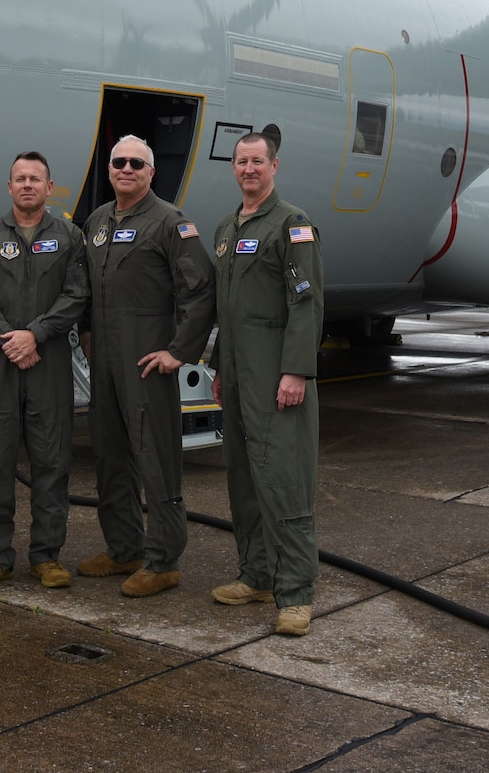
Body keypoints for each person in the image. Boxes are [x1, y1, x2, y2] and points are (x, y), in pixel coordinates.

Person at [76, 134, 215, 597]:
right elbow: (86, 289)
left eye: (138, 163)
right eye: (119, 162)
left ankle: (163, 558)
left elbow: (200, 290)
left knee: (155, 459)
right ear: (110, 169)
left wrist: (178, 351)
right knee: (110, 455)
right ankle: (124, 549)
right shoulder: (97, 221)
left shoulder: (170, 223)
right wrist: (89, 336)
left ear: (151, 172)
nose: (127, 169)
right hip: (106, 363)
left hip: (147, 359)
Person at [208, 131, 324, 636]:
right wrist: (217, 368)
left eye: (258, 161)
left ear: (274, 166)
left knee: (283, 482)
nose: (249, 169)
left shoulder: (292, 225)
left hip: (277, 375)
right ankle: (255, 574)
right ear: (234, 168)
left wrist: (296, 370)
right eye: (242, 161)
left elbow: (307, 303)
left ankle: (295, 593)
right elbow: (227, 311)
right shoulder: (226, 229)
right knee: (243, 478)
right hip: (236, 375)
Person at [0, 151, 89, 590]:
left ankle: (47, 557)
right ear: (9, 187)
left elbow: (76, 295)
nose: (28, 185)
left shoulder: (70, 236)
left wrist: (36, 334)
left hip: (48, 362)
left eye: (36, 178)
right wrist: (10, 340)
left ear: (50, 188)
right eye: (20, 178)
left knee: (52, 463)